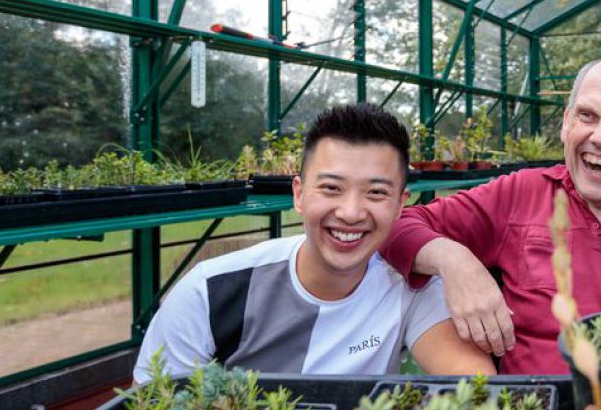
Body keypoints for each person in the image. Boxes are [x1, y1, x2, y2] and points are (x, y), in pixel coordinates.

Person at [134, 104, 494, 383]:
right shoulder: (210, 290)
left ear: (401, 204)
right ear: (299, 194)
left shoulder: (409, 288)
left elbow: (479, 390)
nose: (351, 212)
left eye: (376, 192)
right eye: (331, 188)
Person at [380, 56, 601, 374]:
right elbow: (394, 225)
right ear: (567, 123)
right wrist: (454, 260)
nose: (600, 137)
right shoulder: (522, 194)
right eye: (587, 116)